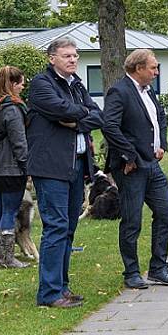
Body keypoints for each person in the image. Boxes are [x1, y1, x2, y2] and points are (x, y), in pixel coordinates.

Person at [28, 37, 104, 308]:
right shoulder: (41, 84)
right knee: (56, 226)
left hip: (76, 166)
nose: (73, 59)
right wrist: (78, 116)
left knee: (69, 228)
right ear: (52, 58)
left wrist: (74, 120)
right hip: (51, 167)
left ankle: (62, 287)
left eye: (75, 55)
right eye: (67, 55)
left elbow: (97, 115)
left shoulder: (77, 85)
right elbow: (59, 109)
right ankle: (49, 294)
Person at [102, 49, 168, 290]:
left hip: (152, 164)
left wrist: (161, 144)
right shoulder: (119, 91)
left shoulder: (149, 91)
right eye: (153, 68)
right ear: (138, 68)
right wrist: (129, 155)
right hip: (131, 166)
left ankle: (158, 267)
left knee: (166, 210)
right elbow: (110, 126)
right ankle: (132, 271)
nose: (156, 72)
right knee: (132, 219)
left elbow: (160, 119)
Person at [0, 66, 29, 269]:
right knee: (10, 211)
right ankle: (8, 258)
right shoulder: (12, 109)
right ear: (12, 84)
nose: (23, 86)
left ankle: (1, 255)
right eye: (20, 82)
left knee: (0, 210)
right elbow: (19, 142)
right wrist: (27, 167)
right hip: (10, 168)